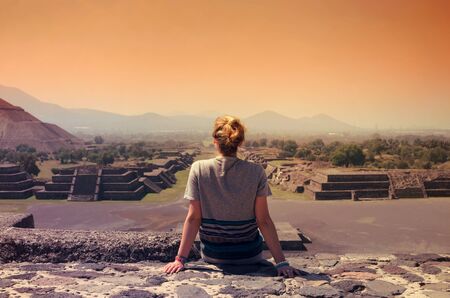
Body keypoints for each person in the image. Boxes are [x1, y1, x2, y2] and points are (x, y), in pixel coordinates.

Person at [163, 115, 299, 277]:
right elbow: (263, 220)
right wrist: (281, 262)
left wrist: (180, 259)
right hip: (249, 256)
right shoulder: (256, 172)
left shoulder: (198, 169)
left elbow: (193, 218)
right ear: (240, 142)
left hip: (213, 257)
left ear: (215, 140)